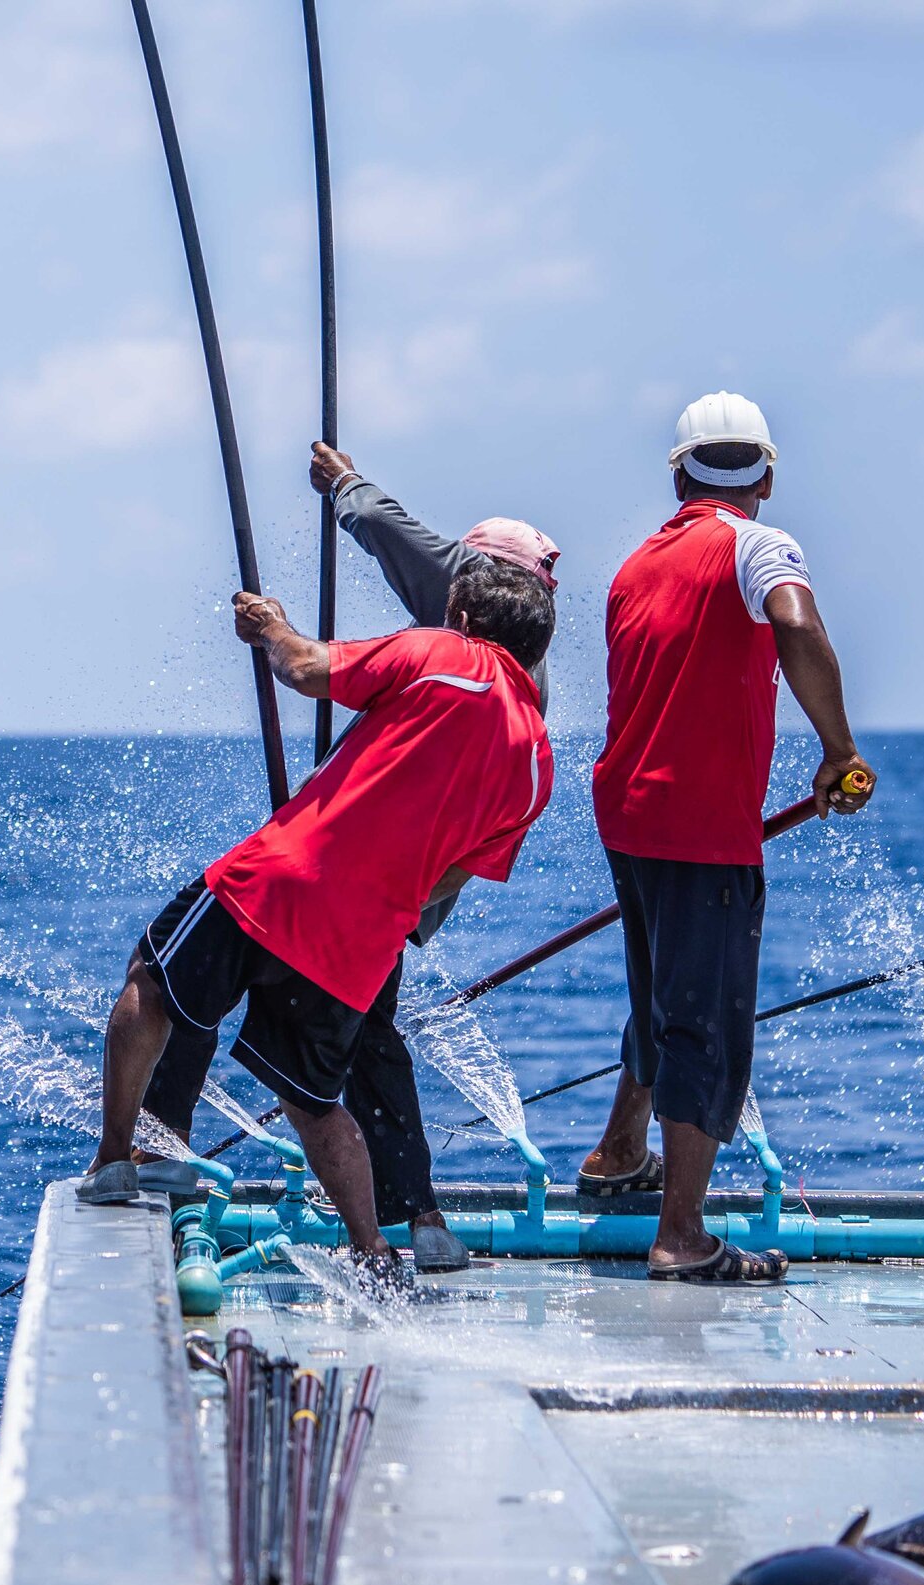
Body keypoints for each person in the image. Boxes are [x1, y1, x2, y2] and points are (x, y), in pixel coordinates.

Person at [136, 442, 564, 1275]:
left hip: (341, 881)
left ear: (480, 586)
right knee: (369, 1031)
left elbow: (382, 545)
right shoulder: (524, 688)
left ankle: (160, 1147)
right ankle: (421, 1217)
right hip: (397, 894)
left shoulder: (457, 633)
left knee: (191, 981)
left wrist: (342, 487)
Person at [574, 391, 875, 1284]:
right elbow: (793, 621)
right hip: (703, 831)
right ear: (768, 477)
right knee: (705, 1023)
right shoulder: (760, 546)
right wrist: (839, 749)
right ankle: (682, 1236)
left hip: (628, 818)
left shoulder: (634, 565)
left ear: (678, 474)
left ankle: (618, 1153)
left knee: (665, 990)